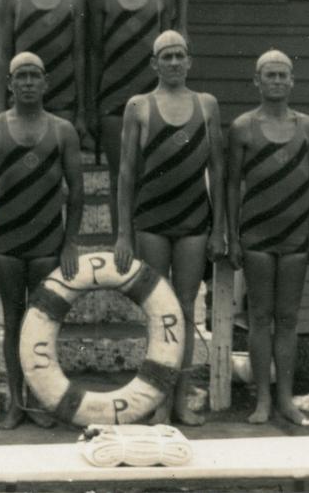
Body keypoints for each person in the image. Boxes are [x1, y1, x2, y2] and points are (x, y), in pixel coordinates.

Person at [115, 31, 226, 425]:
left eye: (180, 56)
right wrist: (124, 232)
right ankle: (157, 402)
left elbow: (217, 169)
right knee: (158, 311)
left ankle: (179, 400)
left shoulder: (206, 105)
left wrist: (220, 228)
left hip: (195, 220)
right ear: (154, 64)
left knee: (185, 307)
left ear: (189, 62)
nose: (175, 62)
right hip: (152, 221)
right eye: (167, 56)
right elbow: (127, 173)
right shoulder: (139, 106)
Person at [0, 51, 83, 429]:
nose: (29, 82)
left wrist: (70, 243)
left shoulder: (62, 130)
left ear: (46, 83)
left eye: (36, 76)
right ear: (9, 83)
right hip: (6, 240)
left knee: (43, 325)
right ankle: (16, 403)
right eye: (22, 76)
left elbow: (78, 191)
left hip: (47, 241)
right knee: (14, 319)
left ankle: (40, 400)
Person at [227, 50, 309, 426]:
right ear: (257, 81)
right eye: (270, 75)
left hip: (295, 234)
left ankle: (286, 398)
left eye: (283, 75)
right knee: (260, 316)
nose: (277, 81)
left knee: (288, 318)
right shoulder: (242, 127)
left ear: (293, 81)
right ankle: (262, 398)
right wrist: (233, 235)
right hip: (257, 234)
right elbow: (232, 185)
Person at [88, 0, 175, 233]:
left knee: (152, 173)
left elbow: (168, 51)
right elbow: (95, 52)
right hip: (113, 98)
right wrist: (91, 105)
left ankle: (149, 247)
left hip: (153, 97)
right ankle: (122, 248)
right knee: (120, 176)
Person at [0, 0, 89, 146]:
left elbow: (78, 55)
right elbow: (4, 54)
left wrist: (82, 112)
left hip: (62, 98)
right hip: (21, 97)